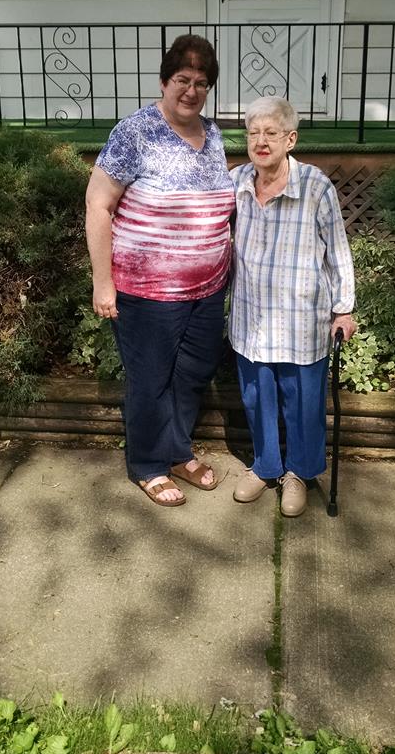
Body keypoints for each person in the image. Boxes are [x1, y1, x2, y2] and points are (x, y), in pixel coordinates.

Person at [85, 34, 235, 507]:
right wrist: (102, 282)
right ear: (164, 81)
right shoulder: (134, 132)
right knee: (151, 379)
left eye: (202, 83)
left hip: (207, 289)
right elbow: (97, 206)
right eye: (183, 80)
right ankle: (148, 465)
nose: (192, 91)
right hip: (146, 291)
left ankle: (176, 451)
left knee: (191, 374)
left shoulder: (213, 136)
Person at [229, 96, 357, 517]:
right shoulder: (238, 182)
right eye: (253, 133)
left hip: (301, 320)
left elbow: (337, 252)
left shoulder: (315, 186)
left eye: (270, 133)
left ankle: (299, 473)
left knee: (303, 402)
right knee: (256, 397)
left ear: (290, 138)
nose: (260, 141)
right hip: (251, 319)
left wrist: (344, 309)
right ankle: (265, 466)